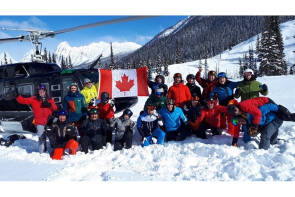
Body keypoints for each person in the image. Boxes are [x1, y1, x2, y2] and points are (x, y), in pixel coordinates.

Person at [227, 97, 295, 149]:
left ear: (240, 116)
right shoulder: (246, 123)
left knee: (265, 135)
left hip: (276, 118)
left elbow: (269, 106)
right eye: (237, 122)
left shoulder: (252, 113)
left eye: (239, 120)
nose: (240, 122)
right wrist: (245, 142)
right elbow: (246, 135)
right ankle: (274, 141)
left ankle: (263, 153)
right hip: (266, 122)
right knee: (270, 140)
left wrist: (279, 109)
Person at [16, 84, 58, 153]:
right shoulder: (34, 99)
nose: (41, 92)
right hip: (40, 122)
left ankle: (54, 148)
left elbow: (55, 108)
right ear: (38, 91)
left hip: (49, 121)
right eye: (40, 91)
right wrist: (17, 96)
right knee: (41, 137)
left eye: (43, 91)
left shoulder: (49, 99)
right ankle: (42, 152)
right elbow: (23, 100)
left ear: (45, 91)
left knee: (51, 136)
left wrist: (50, 104)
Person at [233, 69, 268, 143]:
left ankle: (260, 133)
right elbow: (236, 96)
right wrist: (237, 92)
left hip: (255, 106)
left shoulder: (257, 84)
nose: (247, 75)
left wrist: (265, 89)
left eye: (249, 74)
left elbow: (264, 94)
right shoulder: (241, 84)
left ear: (252, 74)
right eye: (245, 74)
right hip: (244, 108)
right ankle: (247, 139)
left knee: (257, 121)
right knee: (245, 123)